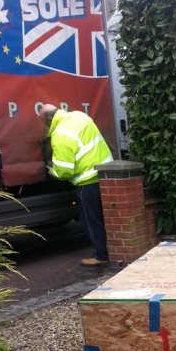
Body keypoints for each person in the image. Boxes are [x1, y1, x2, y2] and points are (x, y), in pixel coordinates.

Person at [39, 104, 113, 266]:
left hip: (87, 182)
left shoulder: (60, 134)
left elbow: (64, 172)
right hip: (106, 175)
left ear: (49, 119)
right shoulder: (80, 116)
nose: (44, 126)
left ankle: (100, 256)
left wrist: (51, 171)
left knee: (91, 220)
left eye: (44, 122)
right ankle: (113, 249)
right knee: (107, 217)